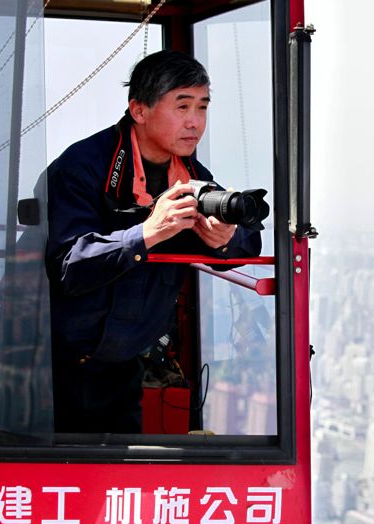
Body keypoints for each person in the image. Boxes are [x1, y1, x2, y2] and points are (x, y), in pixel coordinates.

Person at [45, 50, 262, 434]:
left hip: (123, 367)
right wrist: (147, 233)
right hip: (50, 366)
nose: (195, 122)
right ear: (139, 110)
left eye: (202, 107)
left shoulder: (191, 174)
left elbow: (246, 241)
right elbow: (68, 266)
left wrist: (225, 240)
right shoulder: (84, 167)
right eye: (182, 106)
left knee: (112, 489)